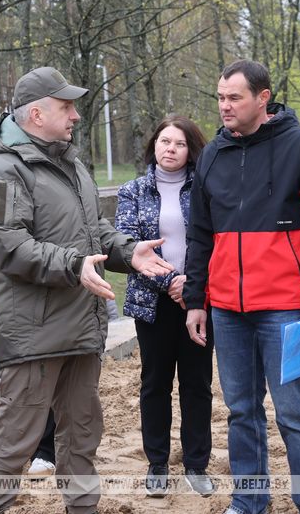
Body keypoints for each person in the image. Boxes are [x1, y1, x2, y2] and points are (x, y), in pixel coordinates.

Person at [0, 66, 173, 514]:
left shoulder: (70, 164)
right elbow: (5, 243)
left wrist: (129, 252)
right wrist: (72, 265)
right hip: (33, 333)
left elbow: (92, 230)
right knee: (15, 439)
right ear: (36, 114)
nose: (76, 115)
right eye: (66, 107)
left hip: (80, 326)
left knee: (82, 433)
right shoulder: (1, 170)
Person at [183, 59, 300, 514]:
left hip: (287, 307)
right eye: (220, 97)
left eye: (234, 97)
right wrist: (196, 300)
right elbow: (200, 234)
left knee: (294, 414)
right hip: (227, 310)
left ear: (263, 97)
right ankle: (249, 500)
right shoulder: (212, 154)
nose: (225, 106)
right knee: (241, 411)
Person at [115, 115, 214, 498]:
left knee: (196, 384)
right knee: (155, 383)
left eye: (179, 143)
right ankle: (157, 463)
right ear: (153, 145)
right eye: (164, 141)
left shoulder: (205, 187)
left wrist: (192, 286)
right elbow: (127, 246)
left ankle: (196, 464)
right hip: (152, 303)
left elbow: (214, 240)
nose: (170, 149)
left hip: (198, 302)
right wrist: (170, 281)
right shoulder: (133, 190)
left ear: (191, 150)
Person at [0, 254, 58, 479]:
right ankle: (19, 445)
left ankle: (45, 450)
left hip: (35, 296)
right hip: (2, 298)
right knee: (2, 378)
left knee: (39, 375)